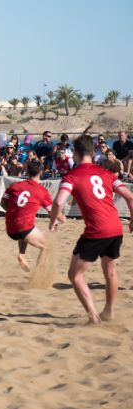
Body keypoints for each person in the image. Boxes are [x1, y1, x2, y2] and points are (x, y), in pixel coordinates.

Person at [49, 134, 133, 324]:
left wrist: (53, 220)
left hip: (96, 231)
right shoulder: (106, 173)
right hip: (115, 228)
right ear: (93, 152)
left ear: (75, 154)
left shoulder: (72, 176)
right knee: (110, 271)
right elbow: (130, 197)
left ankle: (93, 317)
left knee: (75, 275)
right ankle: (109, 311)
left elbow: (59, 201)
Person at [1, 160, 52, 271]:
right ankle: (38, 275)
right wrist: (62, 218)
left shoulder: (14, 186)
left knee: (24, 234)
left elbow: (2, 203)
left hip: (10, 228)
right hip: (23, 227)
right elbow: (53, 213)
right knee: (47, 248)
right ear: (41, 172)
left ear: (27, 171)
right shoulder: (42, 191)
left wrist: (14, 213)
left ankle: (22, 254)